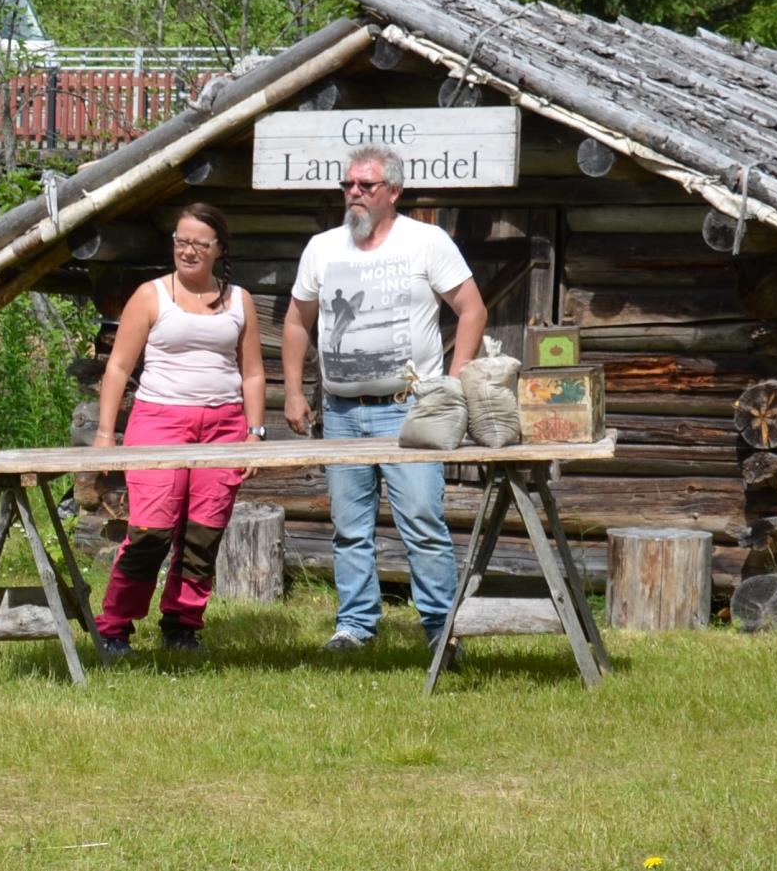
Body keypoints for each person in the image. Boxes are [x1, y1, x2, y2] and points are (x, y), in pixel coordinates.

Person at [281, 145, 487, 657]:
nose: (354, 193)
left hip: (411, 408)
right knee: (350, 527)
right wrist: (290, 390)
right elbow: (294, 321)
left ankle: (442, 628)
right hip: (342, 411)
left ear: (393, 192)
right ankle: (354, 626)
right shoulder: (322, 248)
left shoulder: (426, 242)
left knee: (421, 520)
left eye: (365, 186)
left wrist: (453, 384)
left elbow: (472, 310)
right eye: (348, 184)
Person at [91, 204, 266, 656]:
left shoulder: (239, 299)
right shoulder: (151, 295)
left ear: (219, 249)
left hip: (224, 426)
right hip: (159, 421)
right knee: (151, 531)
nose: (187, 251)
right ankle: (113, 627)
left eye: (198, 244)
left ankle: (182, 627)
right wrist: (105, 434)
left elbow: (252, 373)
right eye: (180, 241)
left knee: (204, 534)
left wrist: (254, 433)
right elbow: (119, 367)